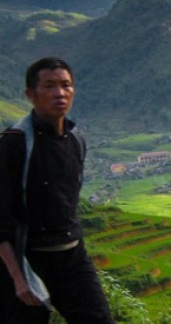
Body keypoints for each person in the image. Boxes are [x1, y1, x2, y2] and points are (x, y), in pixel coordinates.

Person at [0, 57, 114, 323]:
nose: (60, 93)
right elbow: (0, 220)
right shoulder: (13, 145)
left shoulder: (76, 141)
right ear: (31, 94)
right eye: (49, 86)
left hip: (72, 257)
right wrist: (17, 279)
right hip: (27, 260)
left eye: (66, 85)